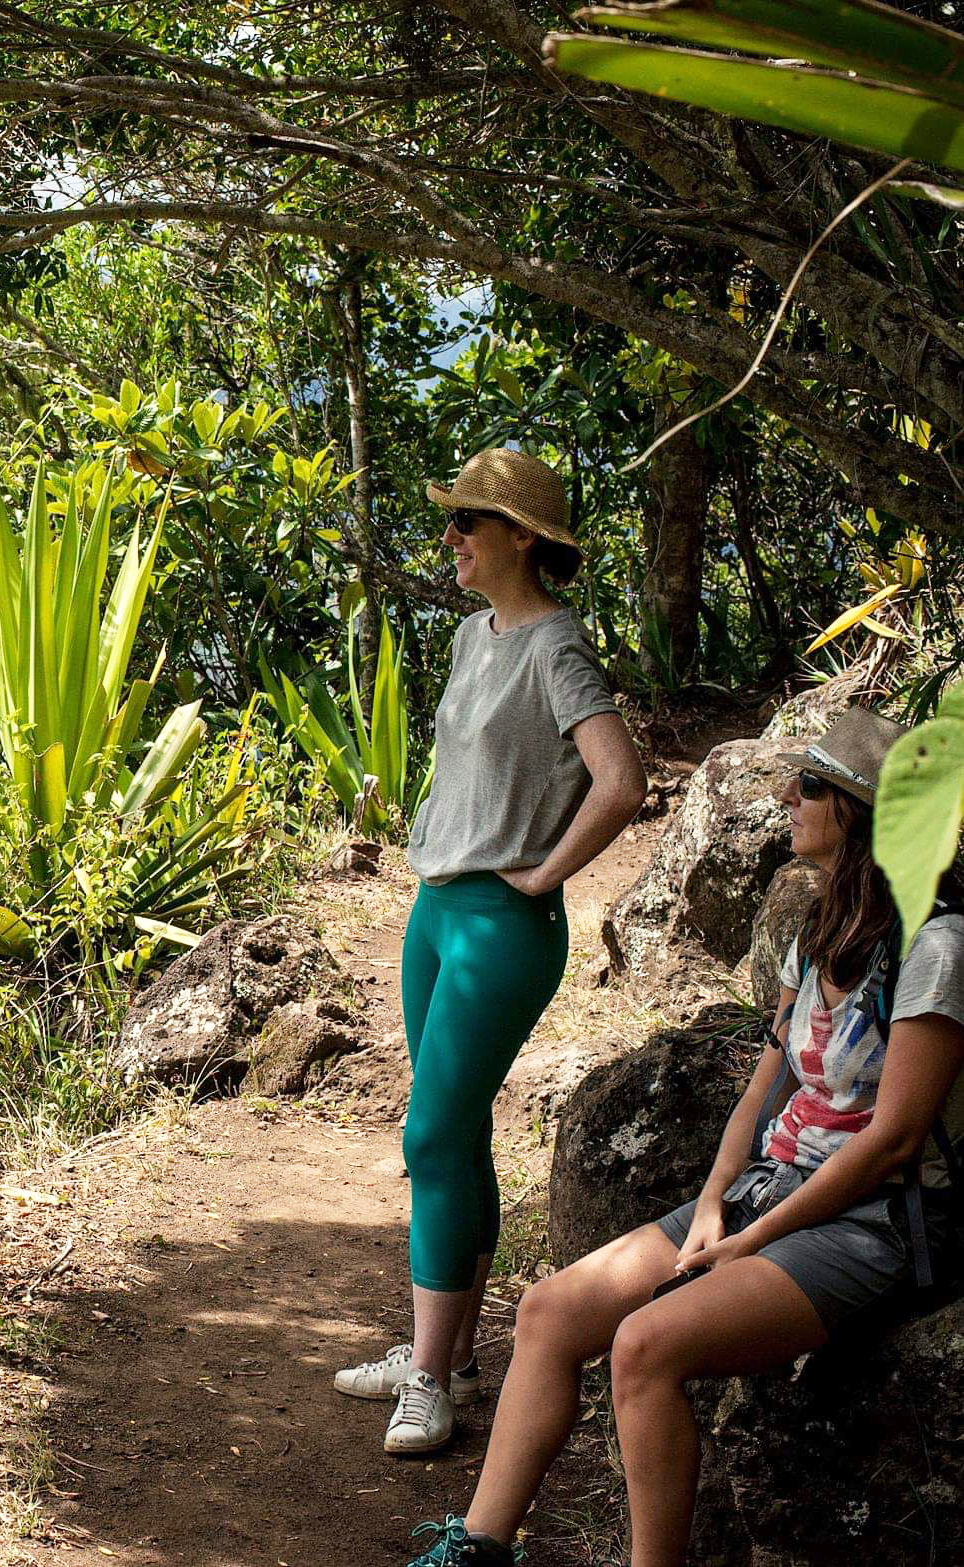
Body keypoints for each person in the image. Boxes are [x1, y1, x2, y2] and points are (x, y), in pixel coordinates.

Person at [403, 706, 964, 1566]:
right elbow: (763, 1090)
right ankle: (476, 1549)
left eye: (809, 785)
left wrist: (754, 1239)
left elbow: (892, 1142)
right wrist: (712, 1205)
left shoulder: (937, 948)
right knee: (549, 1312)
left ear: (861, 816)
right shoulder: (824, 924)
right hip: (772, 1188)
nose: (786, 797)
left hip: (875, 1219)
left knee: (644, 1345)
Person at [333, 448, 646, 1455]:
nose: (452, 536)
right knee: (458, 1136)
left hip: (501, 927)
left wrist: (545, 874)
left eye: (469, 520)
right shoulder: (476, 635)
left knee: (428, 1138)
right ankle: (451, 1356)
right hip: (436, 911)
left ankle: (428, 1382)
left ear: (521, 536)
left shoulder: (558, 647)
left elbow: (621, 780)